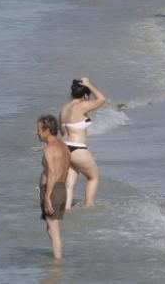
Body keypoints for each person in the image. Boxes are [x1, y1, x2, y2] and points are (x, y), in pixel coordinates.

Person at [60, 77, 105, 208]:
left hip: (64, 148)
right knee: (93, 177)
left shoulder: (64, 109)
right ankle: (88, 207)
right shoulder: (82, 105)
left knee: (69, 185)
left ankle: (67, 210)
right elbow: (101, 99)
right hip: (78, 148)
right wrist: (89, 84)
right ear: (85, 95)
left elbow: (62, 131)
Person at [37, 114, 70, 260]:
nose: (37, 132)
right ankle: (56, 257)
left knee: (54, 230)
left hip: (53, 190)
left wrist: (47, 197)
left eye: (39, 129)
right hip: (61, 188)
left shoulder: (49, 149)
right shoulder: (64, 146)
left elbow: (52, 172)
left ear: (47, 130)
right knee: (50, 227)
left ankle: (57, 265)